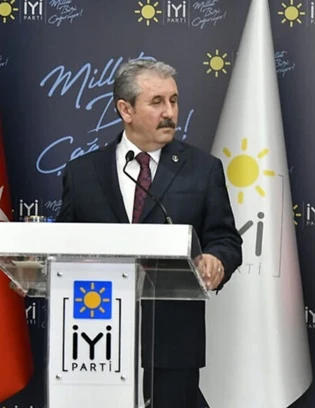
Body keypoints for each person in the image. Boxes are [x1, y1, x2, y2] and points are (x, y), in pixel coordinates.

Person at [57, 59, 242, 408]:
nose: (170, 112)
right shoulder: (82, 173)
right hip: (95, 337)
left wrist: (216, 259)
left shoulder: (203, 169)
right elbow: (63, 246)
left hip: (172, 339)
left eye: (173, 100)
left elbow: (226, 238)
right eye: (157, 102)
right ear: (125, 110)